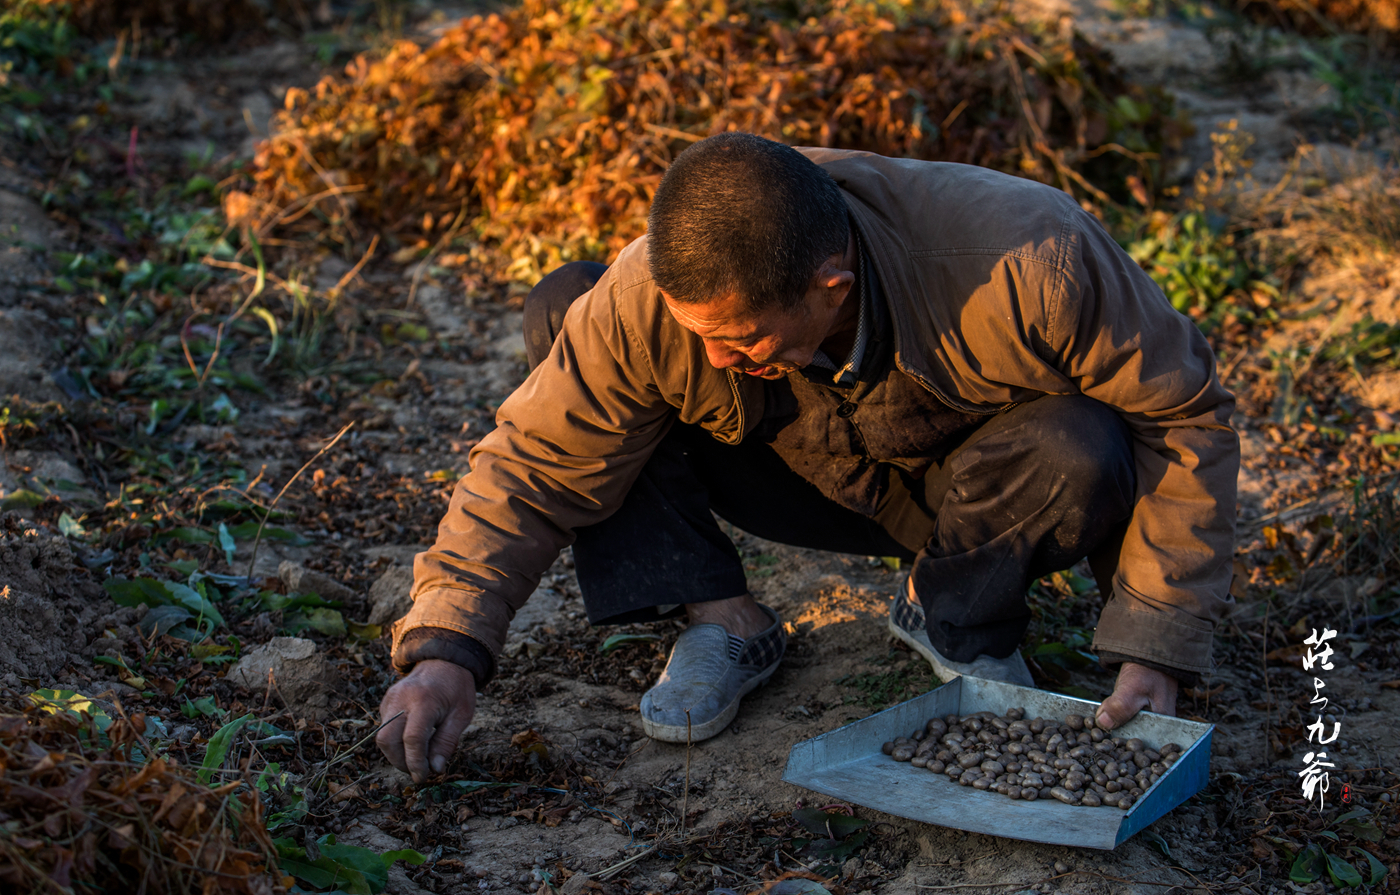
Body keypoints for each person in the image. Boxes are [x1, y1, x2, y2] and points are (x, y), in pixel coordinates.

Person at [376, 133, 1238, 783]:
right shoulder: (651, 302)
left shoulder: (1031, 258)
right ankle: (723, 618)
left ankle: (952, 606)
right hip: (785, 470)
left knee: (1086, 440)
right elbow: (534, 462)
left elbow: (1184, 420)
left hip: (966, 487)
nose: (713, 357)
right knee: (570, 304)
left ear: (832, 285)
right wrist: (447, 646)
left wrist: (1153, 644)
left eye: (739, 337)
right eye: (698, 331)